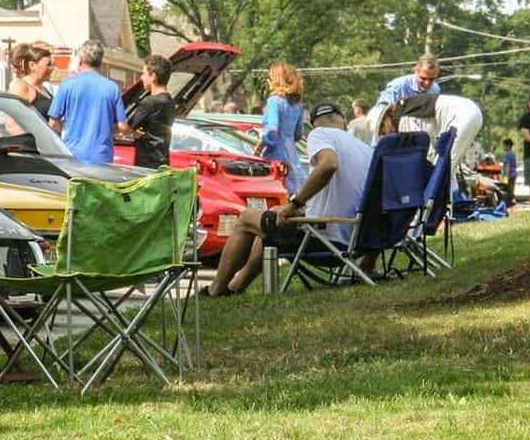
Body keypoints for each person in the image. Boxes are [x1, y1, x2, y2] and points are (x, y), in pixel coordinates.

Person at [205, 101, 372, 297]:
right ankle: (236, 286)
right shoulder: (363, 148)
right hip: (358, 237)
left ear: (313, 125)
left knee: (245, 218)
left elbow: (328, 165)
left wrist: (295, 205)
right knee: (273, 216)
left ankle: (216, 289)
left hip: (327, 241)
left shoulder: (319, 134)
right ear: (343, 122)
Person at [48, 39, 128, 165]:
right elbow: (121, 126)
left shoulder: (67, 85)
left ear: (81, 59)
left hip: (73, 155)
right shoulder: (112, 88)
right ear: (101, 61)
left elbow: (52, 123)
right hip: (102, 157)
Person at [258, 63, 306, 197]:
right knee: (296, 191)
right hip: (292, 155)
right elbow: (298, 134)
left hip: (276, 155)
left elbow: (272, 131)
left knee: (277, 192)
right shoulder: (298, 105)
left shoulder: (274, 101)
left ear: (276, 80)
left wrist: (259, 148)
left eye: (270, 78)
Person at [127, 54, 176, 168]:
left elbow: (127, 127)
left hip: (147, 163)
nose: (141, 78)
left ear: (153, 76)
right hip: (163, 161)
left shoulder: (149, 102)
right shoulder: (170, 102)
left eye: (144, 74)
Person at [374, 52, 441, 109]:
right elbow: (380, 110)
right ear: (416, 71)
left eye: (431, 79)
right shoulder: (398, 86)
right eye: (423, 78)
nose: (427, 83)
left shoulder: (435, 90)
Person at [8, 41, 55, 118]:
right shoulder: (21, 87)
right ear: (32, 65)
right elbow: (11, 122)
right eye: (48, 64)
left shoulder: (43, 87)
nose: (52, 68)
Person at [501, 139, 519, 209]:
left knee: (507, 191)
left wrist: (505, 178)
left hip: (509, 175)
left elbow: (507, 166)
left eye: (504, 145)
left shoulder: (507, 154)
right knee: (511, 190)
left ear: (507, 145)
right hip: (514, 174)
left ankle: (508, 205)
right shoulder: (513, 154)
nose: (503, 147)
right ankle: (512, 202)